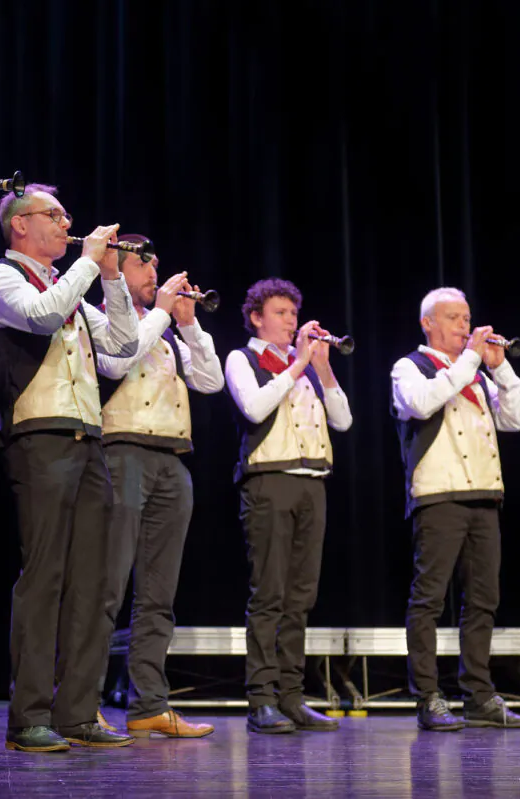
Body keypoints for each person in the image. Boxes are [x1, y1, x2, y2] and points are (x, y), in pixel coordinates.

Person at [0, 184, 138, 752]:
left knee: (93, 582)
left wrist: (115, 278)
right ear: (20, 225)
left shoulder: (71, 286)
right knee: (44, 578)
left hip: (88, 438)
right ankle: (29, 717)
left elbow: (121, 348)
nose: (67, 222)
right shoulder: (2, 276)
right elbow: (40, 317)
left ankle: (78, 711)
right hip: (39, 436)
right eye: (55, 214)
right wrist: (88, 264)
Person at [94, 236, 223, 739]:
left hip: (172, 460)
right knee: (106, 585)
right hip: (121, 451)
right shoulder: (100, 315)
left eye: (156, 267)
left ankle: (149, 702)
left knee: (158, 594)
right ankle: (82, 700)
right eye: (142, 267)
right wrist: (164, 314)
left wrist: (188, 322)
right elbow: (116, 362)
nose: (154, 276)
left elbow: (210, 382)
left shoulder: (167, 332)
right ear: (116, 273)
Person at [391, 287, 520, 731]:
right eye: (452, 318)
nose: (464, 326)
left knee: (483, 601)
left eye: (466, 317)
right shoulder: (409, 367)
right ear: (427, 324)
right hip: (438, 495)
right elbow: (421, 403)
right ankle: (428, 696)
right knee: (430, 600)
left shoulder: (477, 373)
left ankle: (478, 695)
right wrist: (471, 361)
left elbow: (515, 420)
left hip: (485, 494)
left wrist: (501, 368)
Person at [224, 278, 352, 734]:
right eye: (280, 313)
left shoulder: (307, 368)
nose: (291, 321)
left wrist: (324, 368)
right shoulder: (244, 358)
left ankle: (292, 697)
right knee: (269, 595)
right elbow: (255, 408)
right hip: (269, 483)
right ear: (257, 317)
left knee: (301, 597)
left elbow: (343, 420)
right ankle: (261, 699)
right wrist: (299, 364)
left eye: (293, 314)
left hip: (312, 483)